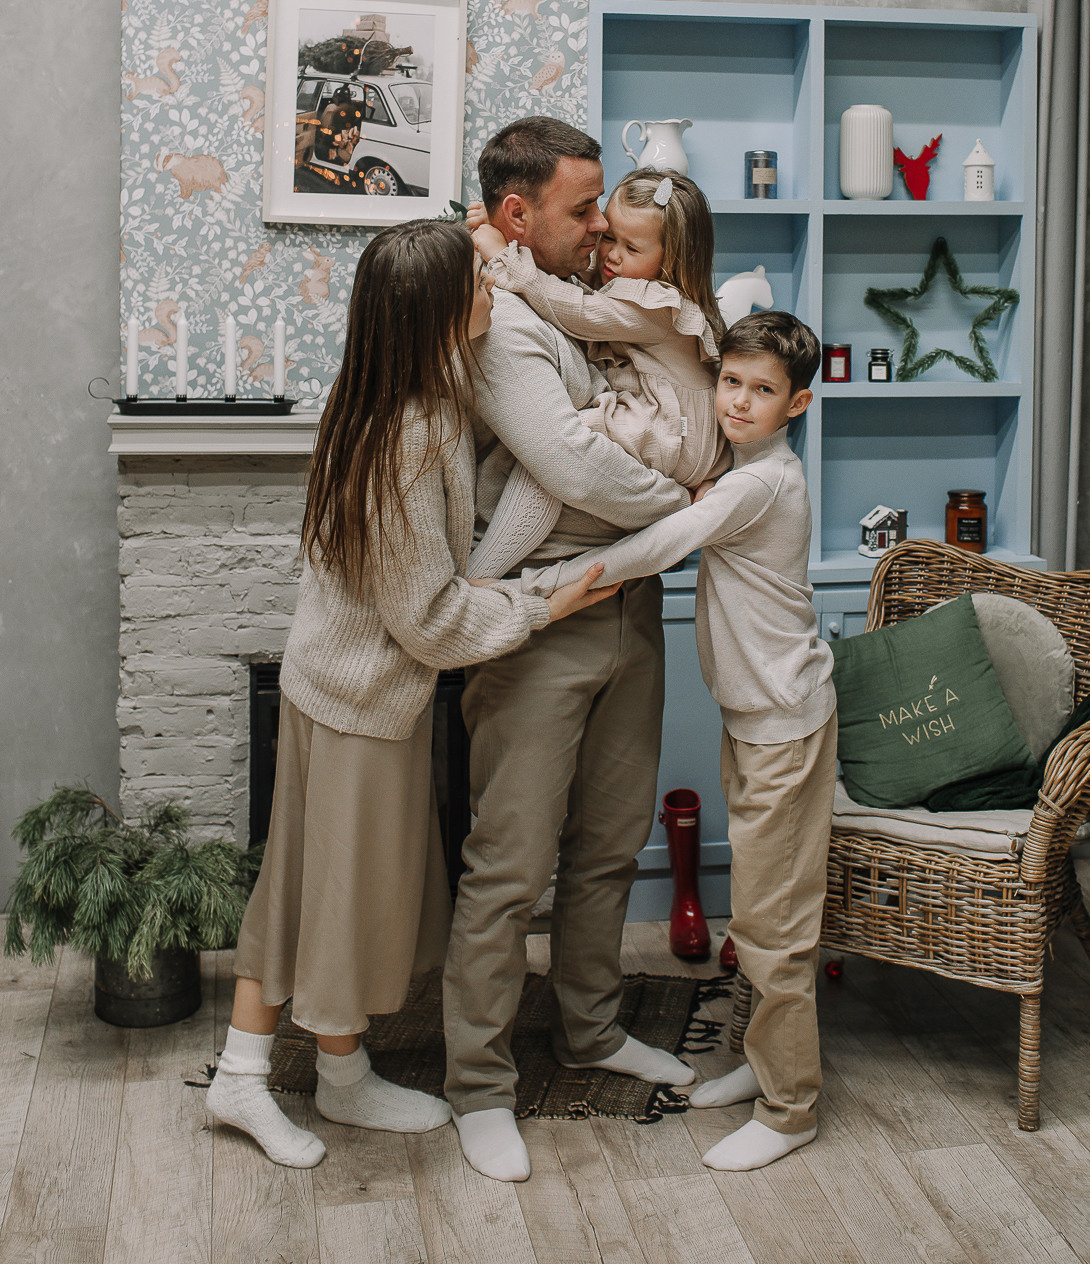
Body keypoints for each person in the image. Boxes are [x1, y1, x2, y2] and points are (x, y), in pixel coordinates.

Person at [206, 220, 617, 1170]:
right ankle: (304, 1080)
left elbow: (419, 583)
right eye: (478, 278)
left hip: (336, 684)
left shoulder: (401, 393)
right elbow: (427, 621)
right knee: (338, 899)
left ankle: (274, 1073)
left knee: (304, 888)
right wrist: (542, 603)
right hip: (359, 699)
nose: (491, 287)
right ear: (437, 312)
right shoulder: (404, 432)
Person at [441, 118, 700, 1185]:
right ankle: (477, 1085)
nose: (600, 226)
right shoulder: (499, 319)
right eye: (581, 208)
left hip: (629, 608)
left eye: (602, 207)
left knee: (606, 844)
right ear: (516, 216)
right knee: (506, 867)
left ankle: (590, 1032)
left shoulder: (602, 306)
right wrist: (689, 499)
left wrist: (661, 521)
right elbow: (571, 469)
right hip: (540, 621)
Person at [524, 311, 837, 1173]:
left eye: (762, 391)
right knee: (759, 911)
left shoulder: (759, 485)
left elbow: (664, 542)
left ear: (797, 403)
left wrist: (555, 581)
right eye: (730, 381)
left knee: (775, 926)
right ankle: (756, 1059)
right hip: (757, 719)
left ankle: (790, 1108)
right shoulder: (744, 470)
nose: (738, 400)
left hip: (784, 726)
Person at [464, 166, 728, 581]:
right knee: (560, 455)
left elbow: (576, 309)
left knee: (560, 454)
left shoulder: (659, 305)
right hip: (674, 429)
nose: (611, 255)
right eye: (609, 237)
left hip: (674, 431)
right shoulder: (634, 285)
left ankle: (479, 576)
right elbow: (574, 286)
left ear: (672, 259)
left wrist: (502, 255)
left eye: (631, 248)